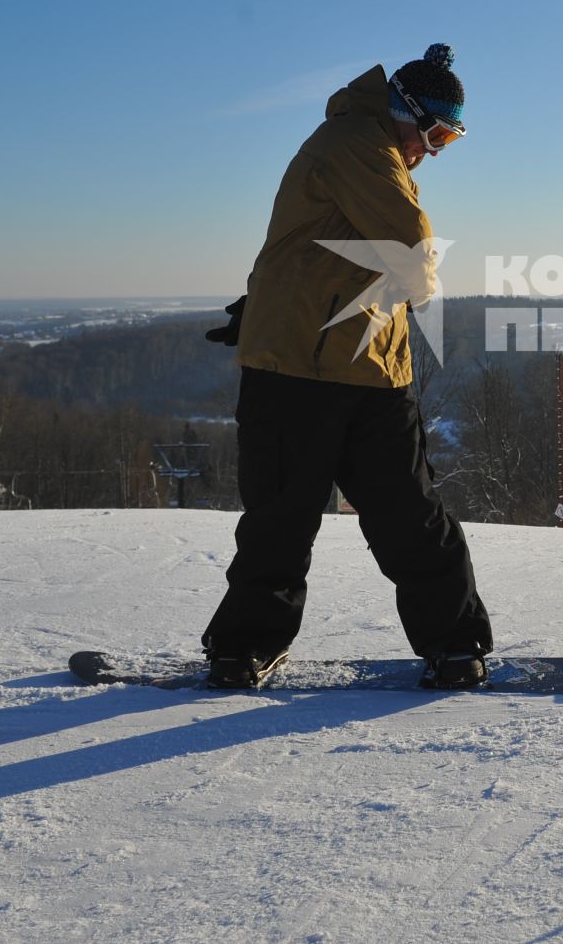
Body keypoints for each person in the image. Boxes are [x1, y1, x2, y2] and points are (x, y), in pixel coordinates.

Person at [199, 44, 493, 690]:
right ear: (405, 112)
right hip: (299, 372)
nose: (437, 151)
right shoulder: (357, 140)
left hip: (364, 368)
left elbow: (317, 249)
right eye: (438, 133)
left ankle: (450, 640)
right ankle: (246, 646)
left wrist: (270, 306)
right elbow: (415, 254)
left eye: (451, 139)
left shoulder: (372, 149)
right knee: (284, 519)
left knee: (408, 515)